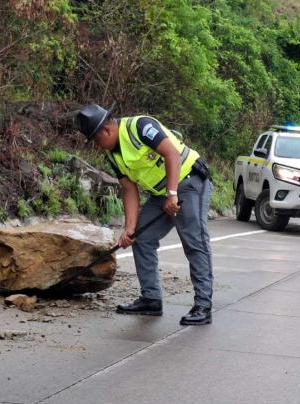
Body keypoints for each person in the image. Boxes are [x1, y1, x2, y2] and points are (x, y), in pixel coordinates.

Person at [76, 103, 213, 325]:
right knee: (141, 237)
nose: (97, 145)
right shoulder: (113, 154)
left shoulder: (140, 127)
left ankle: (203, 305)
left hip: (189, 182)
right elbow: (129, 189)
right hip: (162, 194)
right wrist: (129, 228)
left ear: (107, 130)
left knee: (194, 241)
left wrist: (172, 194)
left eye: (96, 139)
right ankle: (151, 299)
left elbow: (171, 153)